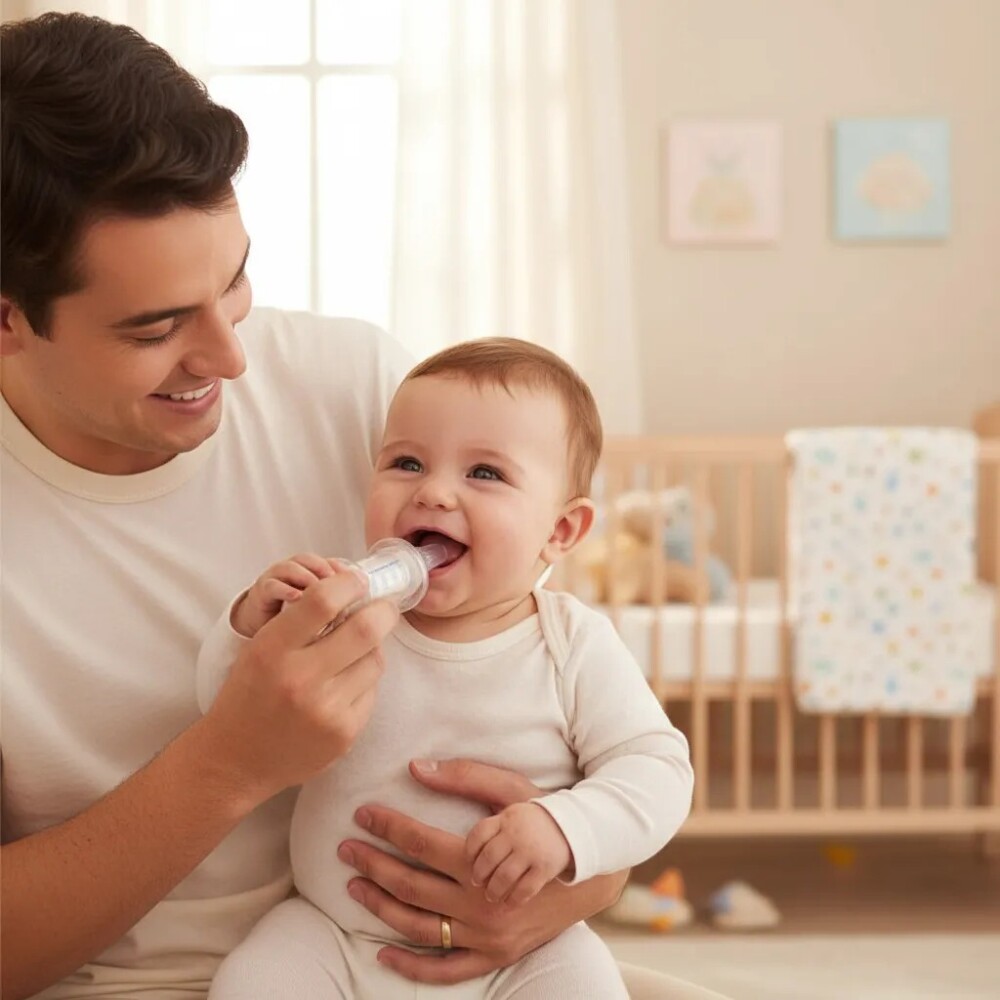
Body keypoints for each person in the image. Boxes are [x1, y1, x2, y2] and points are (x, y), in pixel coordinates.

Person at [0, 12, 736, 1000]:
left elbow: (595, 758)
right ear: (8, 319)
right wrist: (231, 761)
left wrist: (558, 876)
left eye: (235, 280)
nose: (231, 357)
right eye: (159, 327)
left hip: (465, 963)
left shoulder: (365, 388)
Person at [195, 339, 695, 998]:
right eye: (406, 462)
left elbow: (659, 769)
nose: (433, 492)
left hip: (524, 955)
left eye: (484, 473)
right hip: (335, 934)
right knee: (252, 980)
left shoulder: (571, 643)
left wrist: (565, 826)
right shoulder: (350, 616)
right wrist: (252, 629)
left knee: (589, 984)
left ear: (562, 531)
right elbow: (223, 711)